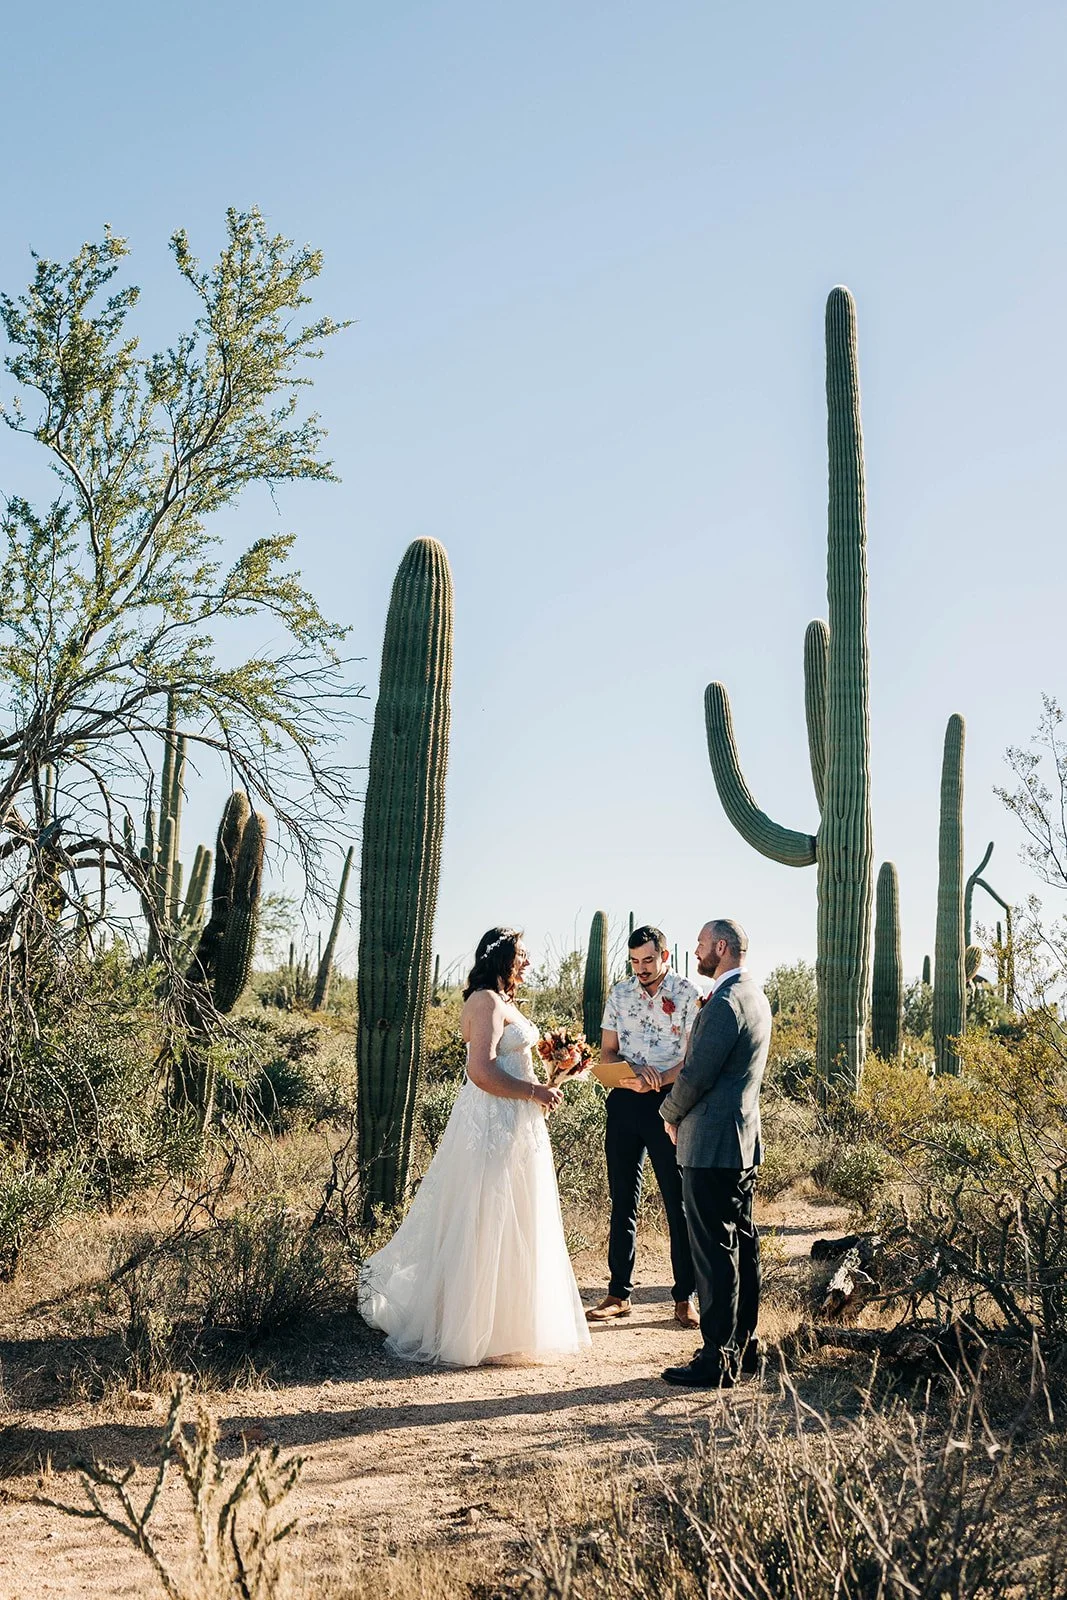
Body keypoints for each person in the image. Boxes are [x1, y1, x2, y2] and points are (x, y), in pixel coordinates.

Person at [358, 927, 592, 1367]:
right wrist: (534, 1092)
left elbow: (511, 1063)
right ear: (501, 958)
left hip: (516, 1121)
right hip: (491, 1123)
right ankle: (468, 1328)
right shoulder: (484, 1001)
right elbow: (481, 1072)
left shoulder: (504, 1001)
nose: (528, 963)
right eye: (522, 955)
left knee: (515, 1216)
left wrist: (551, 1079)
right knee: (486, 1215)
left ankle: (507, 1325)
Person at [659, 919, 772, 1388]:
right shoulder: (755, 995)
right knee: (740, 1243)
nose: (697, 950)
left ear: (721, 947)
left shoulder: (725, 1003)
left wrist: (669, 1113)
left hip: (711, 1143)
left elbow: (697, 1074)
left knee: (713, 1251)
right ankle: (743, 1347)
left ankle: (717, 1358)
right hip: (740, 1140)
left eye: (702, 944)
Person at [586, 925, 701, 1328]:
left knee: (677, 1202)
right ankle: (619, 1294)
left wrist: (660, 1078)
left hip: (670, 1105)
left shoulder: (688, 994)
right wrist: (633, 1071)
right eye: (635, 961)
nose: (641, 968)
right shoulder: (619, 994)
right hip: (624, 1102)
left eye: (648, 960)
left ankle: (685, 1297)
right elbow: (607, 1051)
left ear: (665, 956)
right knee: (623, 1200)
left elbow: (694, 1059)